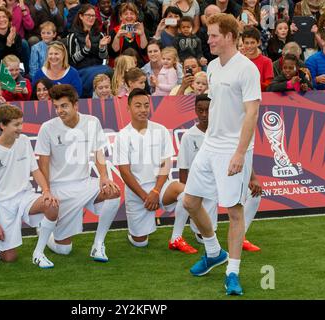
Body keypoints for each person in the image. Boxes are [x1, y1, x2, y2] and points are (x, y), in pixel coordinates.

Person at [182, 13, 261, 296]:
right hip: (210, 145)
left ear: (229, 36)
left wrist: (240, 153)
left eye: (214, 35)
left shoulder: (247, 69)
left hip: (233, 149)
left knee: (234, 212)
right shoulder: (213, 66)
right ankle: (214, 252)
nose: (209, 39)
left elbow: (252, 112)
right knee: (190, 201)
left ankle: (233, 273)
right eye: (209, 34)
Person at [35, 84, 121, 262]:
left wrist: (104, 177)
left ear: (75, 105)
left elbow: (99, 152)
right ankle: (43, 229)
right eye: (56, 106)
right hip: (59, 188)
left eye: (64, 106)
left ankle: (98, 245)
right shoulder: (47, 128)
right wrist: (47, 191)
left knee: (114, 192)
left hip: (84, 183)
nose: (59, 110)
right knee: (64, 249)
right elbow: (43, 163)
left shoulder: (92, 121)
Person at [113, 88, 196, 253]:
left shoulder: (161, 130)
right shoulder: (123, 135)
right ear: (128, 108)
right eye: (138, 106)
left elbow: (166, 164)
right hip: (137, 193)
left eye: (146, 105)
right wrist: (146, 196)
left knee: (185, 191)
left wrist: (156, 191)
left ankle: (176, 238)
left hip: (160, 187)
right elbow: (124, 172)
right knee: (140, 243)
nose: (143, 110)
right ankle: (134, 234)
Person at [0, 104, 59, 268]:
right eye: (16, 124)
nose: (20, 128)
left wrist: (47, 191)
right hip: (3, 204)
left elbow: (34, 169)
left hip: (25, 196)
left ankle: (38, 253)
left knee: (52, 205)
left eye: (21, 123)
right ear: (2, 125)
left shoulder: (24, 141)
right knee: (9, 257)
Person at [177, 94, 262, 252]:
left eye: (208, 110)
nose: (204, 114)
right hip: (205, 181)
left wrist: (253, 178)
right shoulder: (189, 135)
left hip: (226, 176)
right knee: (201, 196)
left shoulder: (227, 131)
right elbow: (183, 168)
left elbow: (241, 155)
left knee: (254, 194)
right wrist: (188, 189)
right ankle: (204, 236)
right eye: (200, 110)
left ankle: (241, 235)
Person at [66, 4, 112, 98]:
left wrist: (102, 47)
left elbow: (104, 57)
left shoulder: (100, 35)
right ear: (81, 16)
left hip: (99, 67)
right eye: (88, 15)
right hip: (81, 71)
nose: (91, 18)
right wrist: (86, 49)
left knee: (109, 71)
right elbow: (73, 60)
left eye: (93, 16)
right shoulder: (72, 35)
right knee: (102, 73)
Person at [108, 2, 148, 67]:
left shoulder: (142, 30)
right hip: (120, 66)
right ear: (121, 17)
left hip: (139, 66)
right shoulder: (114, 32)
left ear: (136, 16)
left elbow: (145, 52)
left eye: (132, 14)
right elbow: (113, 54)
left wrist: (142, 34)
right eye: (126, 14)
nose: (129, 16)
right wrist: (117, 37)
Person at [242, 26, 274, 92]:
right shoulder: (238, 61)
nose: (249, 46)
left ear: (258, 42)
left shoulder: (267, 61)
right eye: (246, 43)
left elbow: (269, 84)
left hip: (261, 98)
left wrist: (251, 84)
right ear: (243, 43)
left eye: (252, 42)